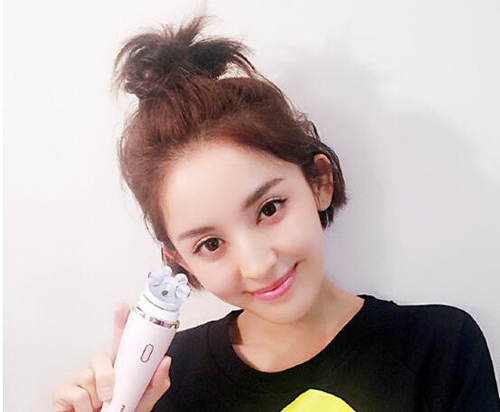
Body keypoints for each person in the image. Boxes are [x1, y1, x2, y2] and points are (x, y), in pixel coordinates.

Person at [52, 15, 500, 412]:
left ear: (318, 182)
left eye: (269, 209)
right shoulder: (165, 382)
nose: (258, 264)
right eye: (210, 243)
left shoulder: (440, 348)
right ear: (180, 261)